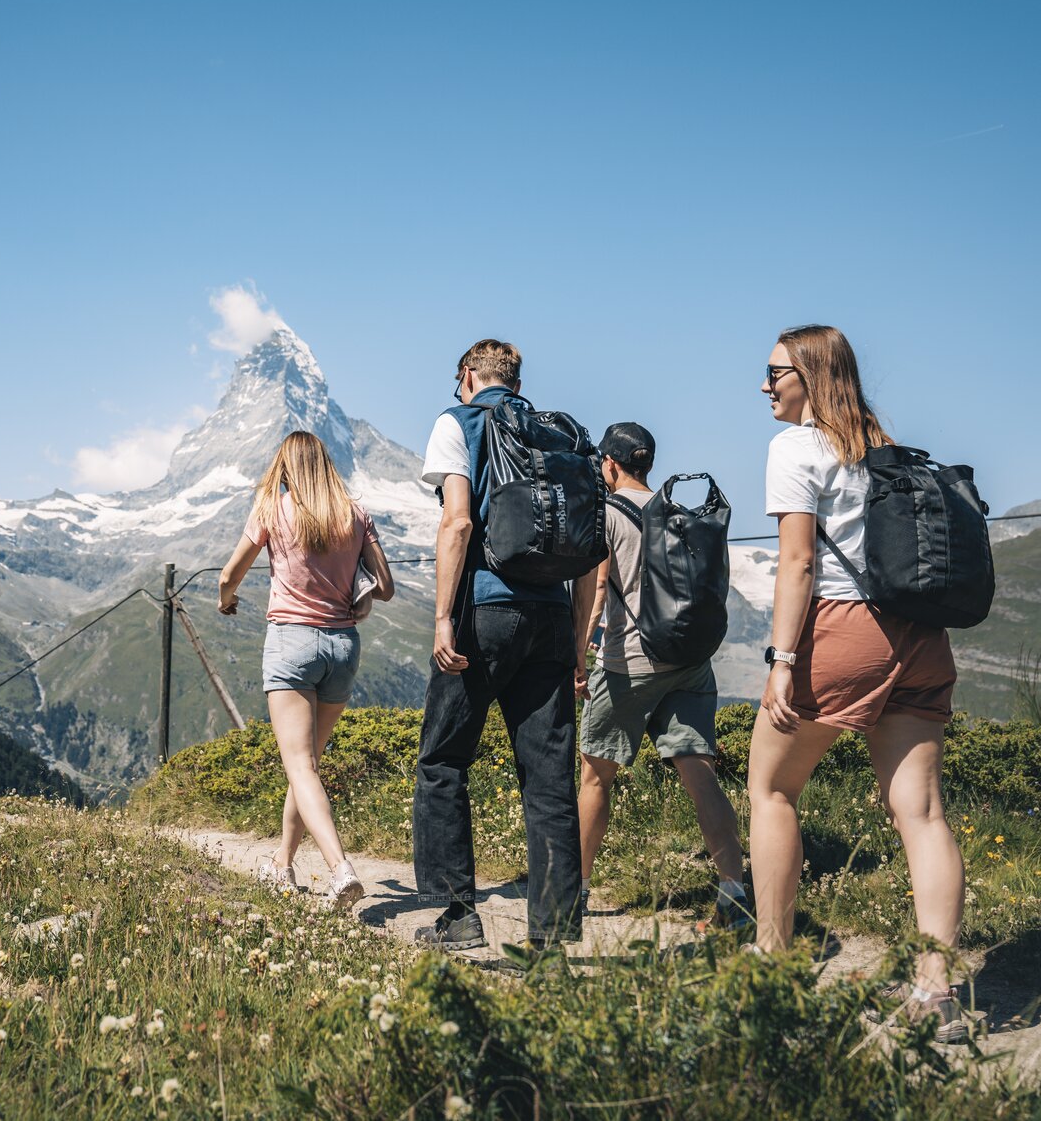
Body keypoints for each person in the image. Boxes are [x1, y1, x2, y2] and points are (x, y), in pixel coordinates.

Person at [748, 325, 968, 1041]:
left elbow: (799, 565)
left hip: (842, 631)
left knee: (772, 788)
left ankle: (773, 964)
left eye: (775, 372)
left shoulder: (794, 448)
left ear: (809, 376)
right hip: (919, 635)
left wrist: (782, 657)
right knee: (923, 812)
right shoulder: (885, 448)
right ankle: (937, 992)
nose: (764, 385)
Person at [412, 339, 594, 952]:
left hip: (483, 612)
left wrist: (443, 617)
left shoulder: (457, 420)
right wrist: (577, 637)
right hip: (549, 616)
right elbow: (588, 545)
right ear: (514, 381)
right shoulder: (556, 433)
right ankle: (551, 940)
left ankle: (458, 916)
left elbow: (458, 520)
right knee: (548, 780)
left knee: (443, 759)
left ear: (466, 376)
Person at [574, 422, 750, 929]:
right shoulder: (677, 511)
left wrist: (580, 652)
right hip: (689, 659)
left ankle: (577, 890)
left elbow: (600, 584)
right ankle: (733, 892)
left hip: (629, 660)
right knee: (700, 774)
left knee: (595, 775)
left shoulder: (605, 513)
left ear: (609, 464)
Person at [217, 430, 394, 911]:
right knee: (307, 767)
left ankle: (340, 870)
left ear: (286, 469)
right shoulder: (355, 514)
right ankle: (283, 864)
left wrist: (226, 601)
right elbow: (386, 587)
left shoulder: (272, 510)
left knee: (300, 766)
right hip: (342, 647)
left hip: (291, 645)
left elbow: (230, 574)